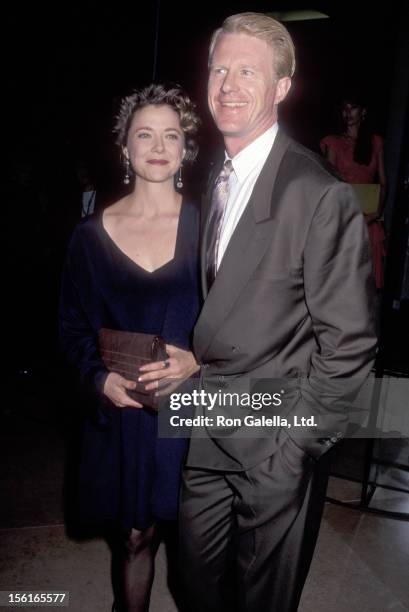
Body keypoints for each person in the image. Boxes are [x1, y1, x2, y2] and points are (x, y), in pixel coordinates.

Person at [148, 12, 376, 612]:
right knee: (194, 584)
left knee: (260, 601)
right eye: (219, 68)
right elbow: (236, 304)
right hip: (210, 422)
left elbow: (349, 343)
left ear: (282, 86)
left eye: (247, 70)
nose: (227, 84)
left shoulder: (317, 193)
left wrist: (294, 448)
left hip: (275, 439)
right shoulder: (211, 180)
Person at [59, 84, 201, 612]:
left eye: (172, 134)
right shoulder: (89, 238)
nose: (159, 145)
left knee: (196, 551)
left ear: (186, 148)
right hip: (127, 418)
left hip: (195, 412)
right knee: (135, 538)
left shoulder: (212, 229)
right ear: (124, 147)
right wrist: (99, 379)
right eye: (145, 133)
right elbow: (71, 327)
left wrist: (202, 359)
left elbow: (241, 321)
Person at [320, 95, 387, 289]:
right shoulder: (334, 143)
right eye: (344, 108)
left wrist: (376, 213)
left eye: (353, 108)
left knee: (365, 287)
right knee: (338, 283)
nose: (348, 113)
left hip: (369, 219)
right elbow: (328, 182)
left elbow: (383, 182)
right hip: (343, 218)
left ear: (363, 111)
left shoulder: (375, 142)